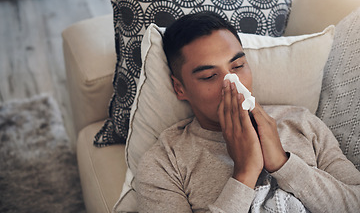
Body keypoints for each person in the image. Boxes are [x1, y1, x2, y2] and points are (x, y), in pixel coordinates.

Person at [135, 12, 360, 212]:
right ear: (180, 88)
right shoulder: (164, 163)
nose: (231, 84)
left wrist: (283, 163)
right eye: (209, 76)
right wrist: (244, 175)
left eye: (237, 66)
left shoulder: (302, 123)